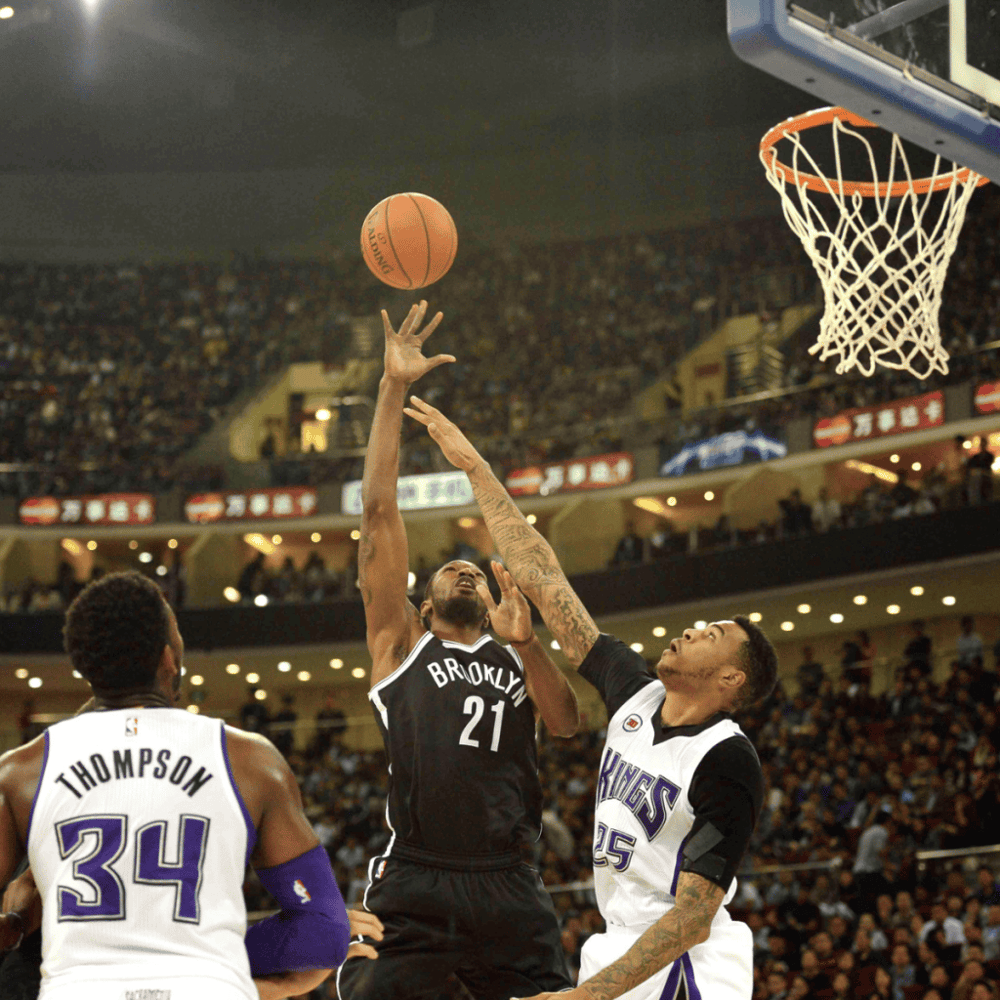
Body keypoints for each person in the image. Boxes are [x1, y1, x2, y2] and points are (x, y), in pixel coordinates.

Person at [405, 392, 779, 1000]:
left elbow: (692, 917)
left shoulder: (726, 760)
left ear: (731, 680)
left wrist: (584, 997)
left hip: (686, 962)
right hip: (616, 943)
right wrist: (476, 467)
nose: (689, 631)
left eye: (710, 636)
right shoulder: (634, 692)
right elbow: (543, 576)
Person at [337, 302, 578, 1000]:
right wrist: (392, 388)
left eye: (473, 565)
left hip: (509, 877)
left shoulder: (512, 655)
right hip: (418, 873)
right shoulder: (400, 646)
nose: (465, 567)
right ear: (421, 604)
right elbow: (379, 512)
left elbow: (564, 723)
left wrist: (530, 647)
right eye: (449, 569)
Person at [0, 571, 379, 1000]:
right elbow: (323, 930)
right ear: (168, 658)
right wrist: (216, 960)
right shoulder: (251, 761)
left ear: (85, 665)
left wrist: (16, 927)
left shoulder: (20, 772)